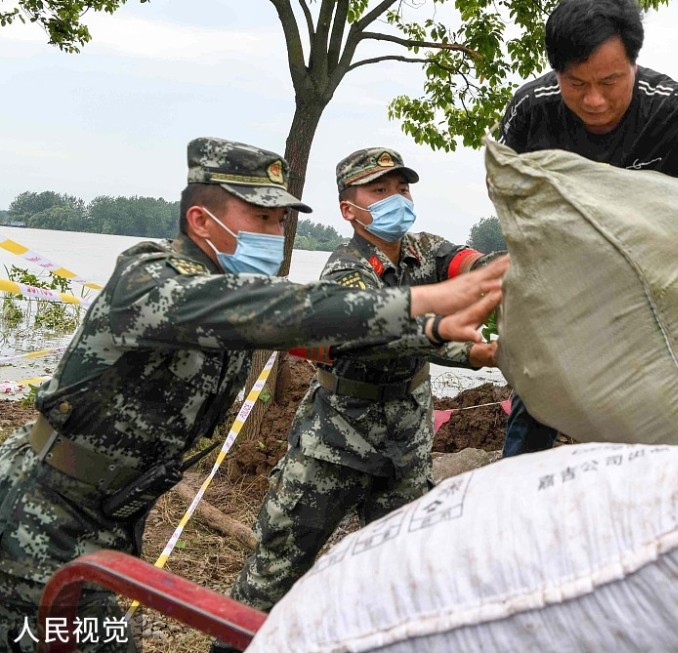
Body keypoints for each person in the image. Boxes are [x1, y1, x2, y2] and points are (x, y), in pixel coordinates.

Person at [0, 137, 506, 653]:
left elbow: (318, 333)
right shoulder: (148, 280)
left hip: (114, 518)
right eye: (261, 217)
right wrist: (425, 302)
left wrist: (440, 333)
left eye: (281, 220)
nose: (276, 231)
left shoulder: (236, 296)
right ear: (201, 221)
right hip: (39, 513)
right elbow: (281, 310)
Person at [209, 148, 501, 652]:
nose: (396, 199)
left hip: (405, 445)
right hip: (334, 445)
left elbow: (472, 263)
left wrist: (511, 265)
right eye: (379, 191)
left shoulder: (424, 250)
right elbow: (373, 333)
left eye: (402, 188)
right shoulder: (345, 270)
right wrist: (472, 351)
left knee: (403, 570)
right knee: (275, 571)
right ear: (350, 209)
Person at [496, 0, 678, 456]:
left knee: (662, 416)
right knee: (534, 401)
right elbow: (506, 187)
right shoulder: (533, 109)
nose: (594, 100)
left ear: (633, 63)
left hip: (653, 294)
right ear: (556, 73)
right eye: (576, 83)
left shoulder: (672, 105)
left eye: (611, 81)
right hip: (567, 293)